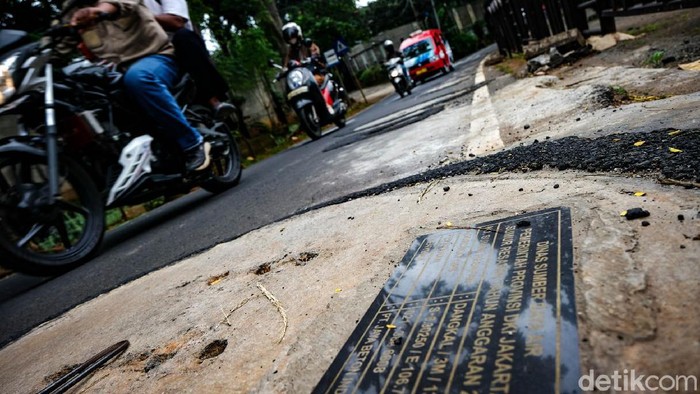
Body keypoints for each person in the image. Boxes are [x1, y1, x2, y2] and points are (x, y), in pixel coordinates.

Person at [64, 0, 209, 172]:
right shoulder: (70, 7)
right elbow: (59, 40)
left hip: (155, 56)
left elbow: (117, 4)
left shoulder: (101, 6)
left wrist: (95, 11)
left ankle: (192, 143)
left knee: (138, 78)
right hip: (112, 68)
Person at [142, 0, 235, 120]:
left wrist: (142, 15)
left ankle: (214, 101)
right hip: (146, 56)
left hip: (175, 51)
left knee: (184, 37)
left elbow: (177, 21)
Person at [281, 22, 334, 115]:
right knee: (290, 91)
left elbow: (315, 51)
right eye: (289, 38)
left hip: (315, 71)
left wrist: (313, 57)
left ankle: (326, 105)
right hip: (302, 77)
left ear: (298, 34)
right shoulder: (290, 51)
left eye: (293, 36)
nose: (292, 40)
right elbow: (286, 63)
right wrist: (283, 70)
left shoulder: (306, 43)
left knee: (315, 82)